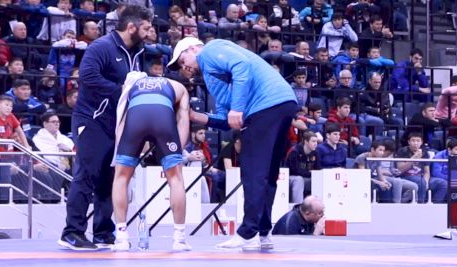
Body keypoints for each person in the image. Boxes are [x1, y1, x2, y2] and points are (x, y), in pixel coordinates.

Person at [167, 37, 297, 250]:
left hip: (264, 106)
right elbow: (226, 121)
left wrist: (237, 108)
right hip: (283, 102)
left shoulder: (210, 50)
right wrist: (196, 117)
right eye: (181, 67)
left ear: (193, 48)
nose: (185, 68)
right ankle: (262, 232)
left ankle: (247, 233)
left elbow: (241, 66)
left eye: (182, 60)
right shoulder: (213, 78)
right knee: (268, 173)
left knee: (253, 173)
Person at [58, 5, 153, 251]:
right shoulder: (101, 47)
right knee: (86, 175)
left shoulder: (137, 51)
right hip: (92, 119)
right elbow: (87, 78)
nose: (149, 32)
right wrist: (122, 90)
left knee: (110, 179)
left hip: (117, 123)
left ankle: (103, 232)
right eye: (146, 27)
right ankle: (71, 232)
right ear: (131, 27)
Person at [111, 72, 191, 251]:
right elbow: (183, 118)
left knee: (121, 177)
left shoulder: (132, 85)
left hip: (134, 119)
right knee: (176, 178)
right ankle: (179, 238)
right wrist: (178, 150)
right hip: (163, 118)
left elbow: (121, 117)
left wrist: (121, 148)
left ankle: (121, 237)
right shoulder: (179, 87)